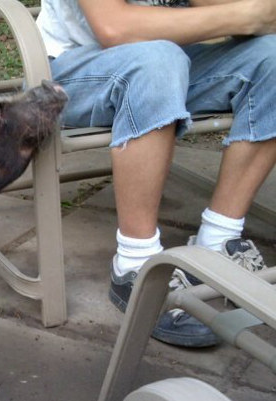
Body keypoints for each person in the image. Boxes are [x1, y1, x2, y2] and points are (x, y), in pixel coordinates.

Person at [36, 0, 276, 347]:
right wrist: (249, 14)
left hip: (172, 59)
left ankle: (219, 240)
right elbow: (114, 27)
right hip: (73, 70)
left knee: (272, 58)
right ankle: (135, 265)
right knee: (158, 60)